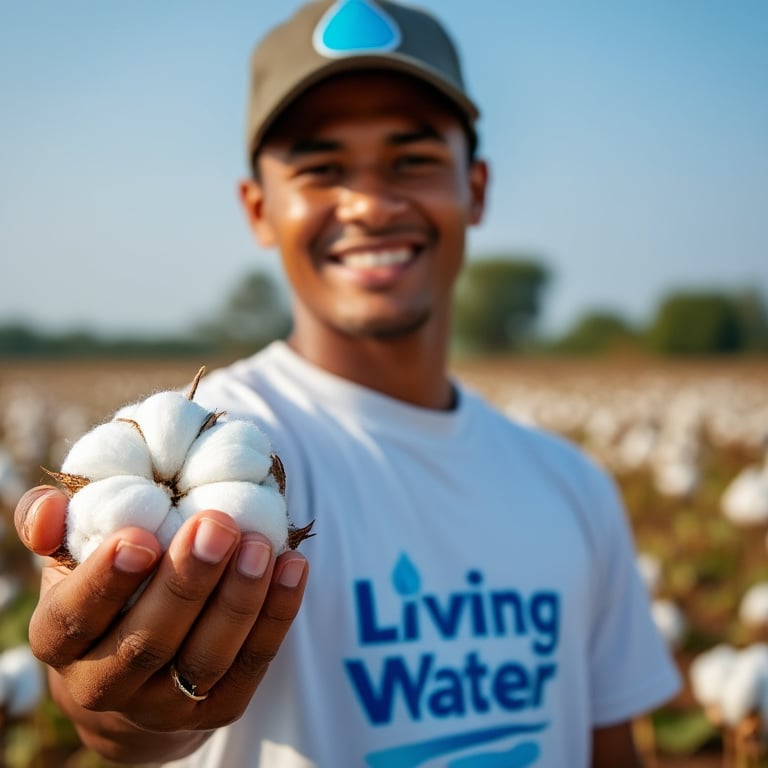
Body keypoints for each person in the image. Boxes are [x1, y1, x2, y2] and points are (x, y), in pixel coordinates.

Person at [14, 1, 681, 766]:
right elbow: (119, 726)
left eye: (412, 159)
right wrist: (120, 701)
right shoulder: (224, 443)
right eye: (322, 167)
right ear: (259, 210)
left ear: (478, 188)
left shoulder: (575, 488)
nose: (369, 203)